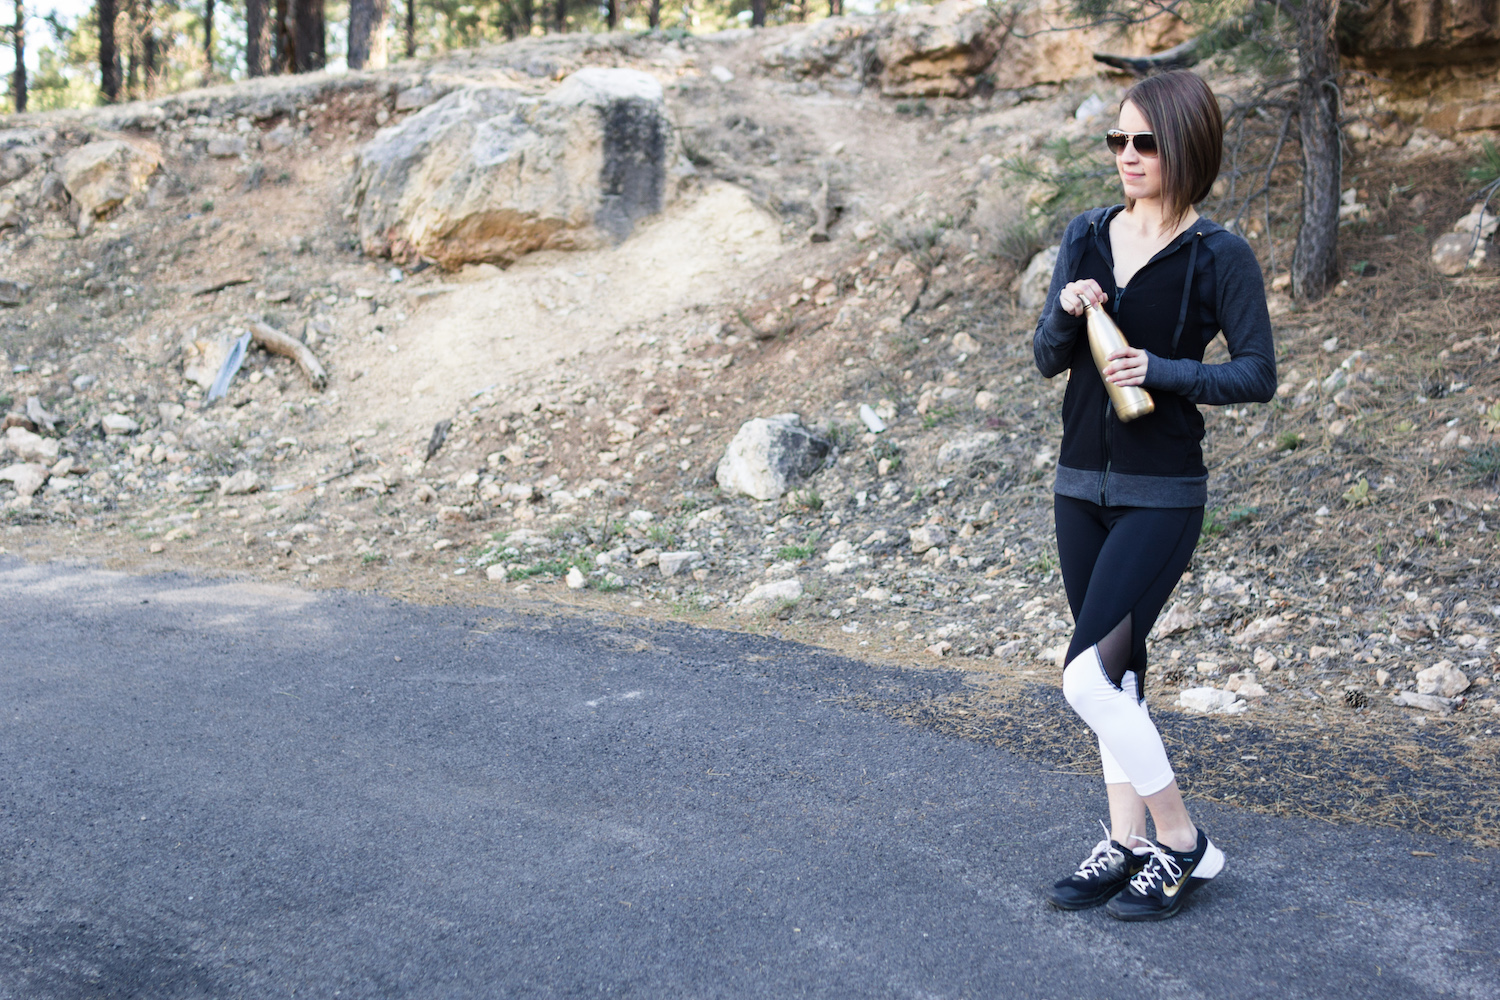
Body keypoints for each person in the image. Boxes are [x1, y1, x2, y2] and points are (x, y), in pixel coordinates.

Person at [1031, 70, 1277, 921]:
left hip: (1162, 494)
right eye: (1118, 140)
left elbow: (1257, 373)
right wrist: (1067, 310)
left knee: (1083, 681)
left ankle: (1183, 842)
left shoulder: (1219, 254)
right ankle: (1129, 842)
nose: (1127, 156)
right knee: (1118, 674)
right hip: (1078, 488)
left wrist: (1163, 371)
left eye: (1145, 142)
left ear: (1185, 147)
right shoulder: (1086, 233)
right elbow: (1046, 358)